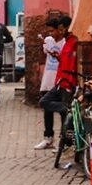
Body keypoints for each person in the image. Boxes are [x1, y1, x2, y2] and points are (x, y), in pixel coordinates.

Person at [33, 15, 78, 150]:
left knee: (65, 116)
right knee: (45, 102)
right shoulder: (65, 42)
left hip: (68, 83)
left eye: (56, 30)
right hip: (58, 82)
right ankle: (50, 137)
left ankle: (65, 143)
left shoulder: (72, 42)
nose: (53, 33)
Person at [39, 18, 62, 99]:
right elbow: (44, 53)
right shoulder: (48, 40)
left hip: (58, 78)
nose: (50, 33)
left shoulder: (64, 42)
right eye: (49, 31)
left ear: (59, 30)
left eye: (52, 31)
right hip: (47, 77)